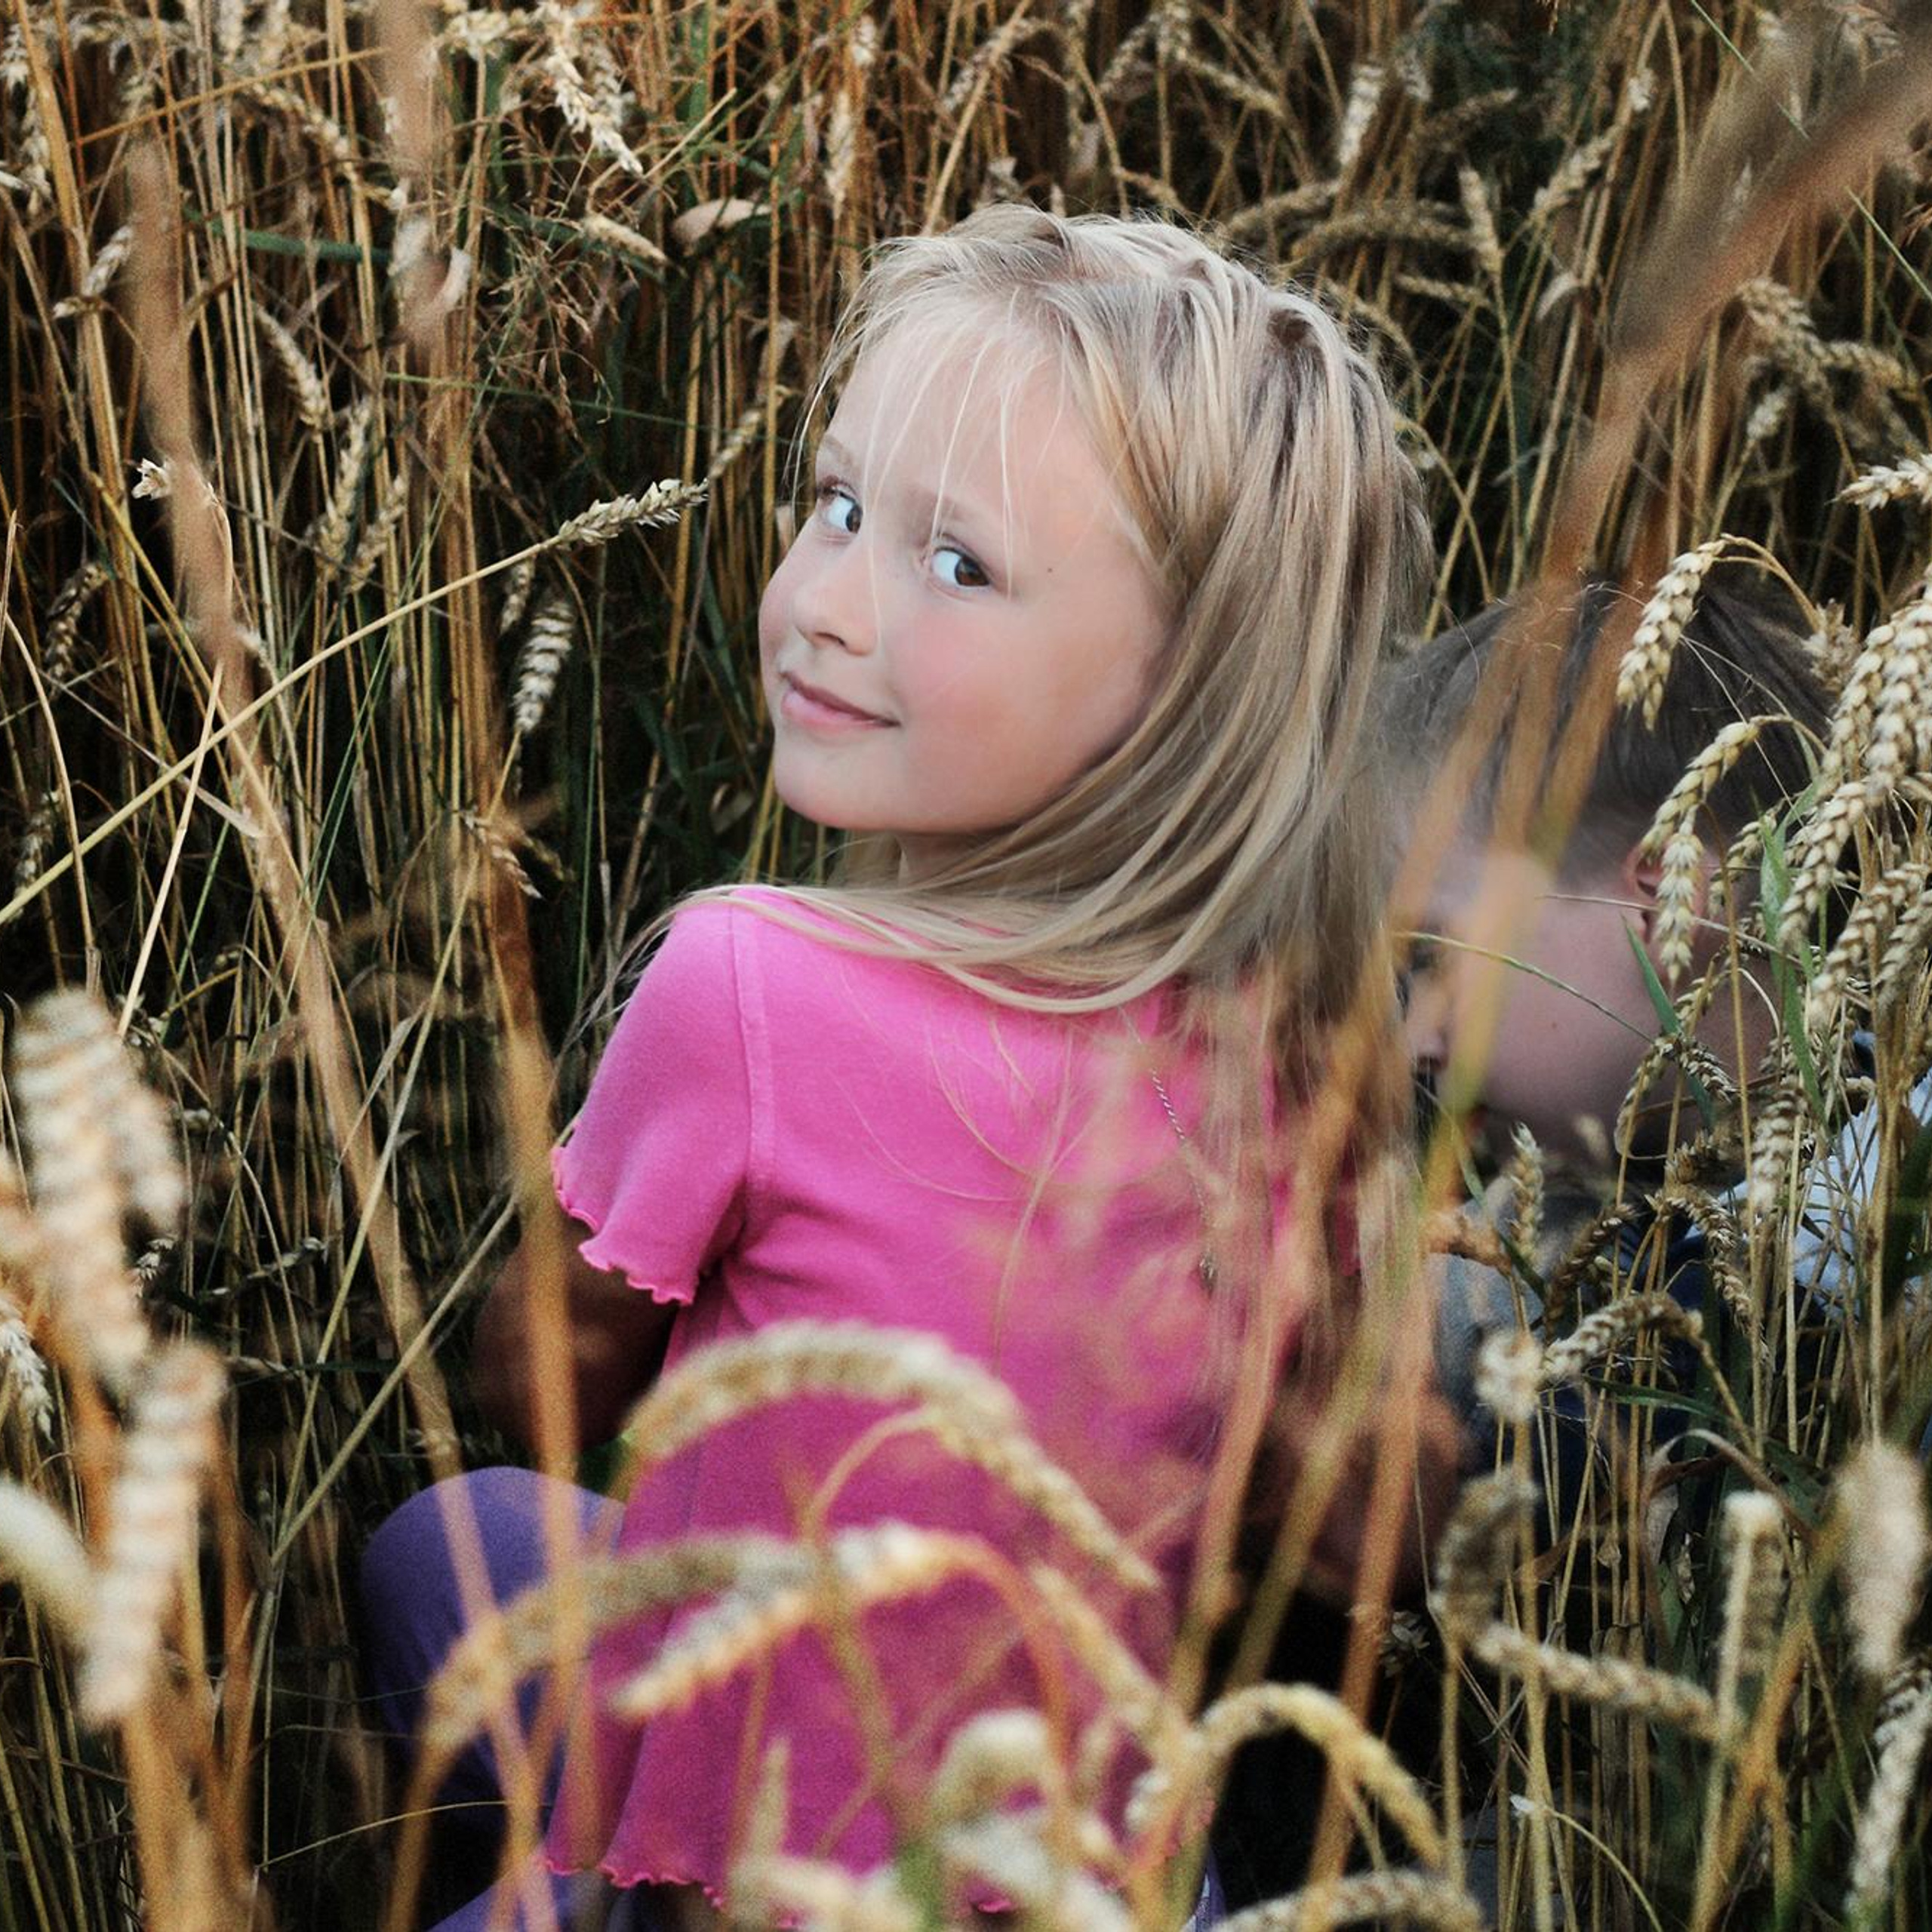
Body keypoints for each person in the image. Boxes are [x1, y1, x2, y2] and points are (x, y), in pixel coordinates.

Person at [361, 205, 1449, 1931]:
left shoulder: (747, 981)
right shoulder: (1294, 1059)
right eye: (839, 503)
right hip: (1096, 1878)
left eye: (956, 564)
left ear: (1181, 691)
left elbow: (543, 1378)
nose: (822, 606)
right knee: (469, 1534)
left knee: (449, 1529)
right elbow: (1317, 1512)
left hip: (742, 1880)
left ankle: (569, 1868)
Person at [1383, 568, 1831, 1432]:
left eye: (1436, 952)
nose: (1416, 1041)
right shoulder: (1485, 1271)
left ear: (1665, 897)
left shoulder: (1882, 1246)